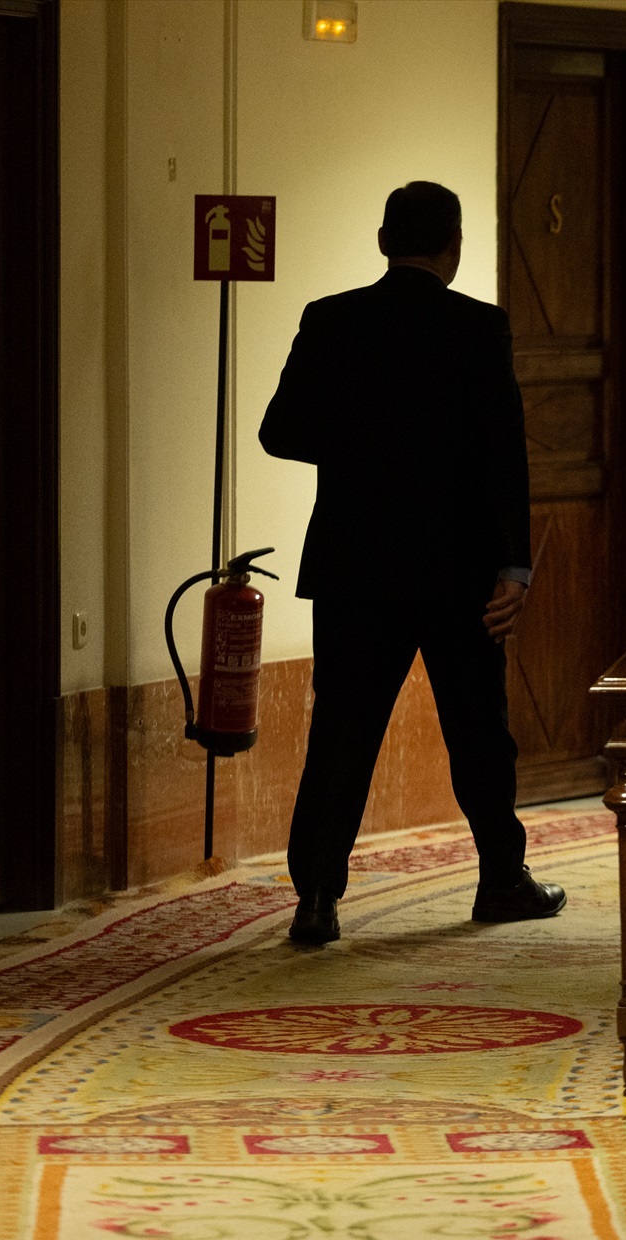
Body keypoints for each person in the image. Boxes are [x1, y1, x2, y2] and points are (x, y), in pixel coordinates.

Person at [259, 180, 565, 946]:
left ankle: (318, 899)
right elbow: (504, 455)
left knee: (343, 731)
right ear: (453, 248)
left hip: (355, 566)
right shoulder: (479, 329)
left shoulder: (330, 321)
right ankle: (502, 879)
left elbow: (279, 430)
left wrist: (364, 445)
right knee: (478, 731)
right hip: (459, 571)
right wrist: (513, 568)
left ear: (382, 242)